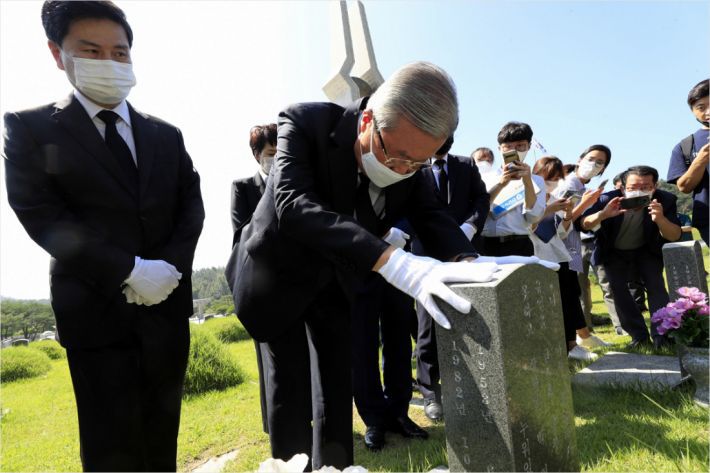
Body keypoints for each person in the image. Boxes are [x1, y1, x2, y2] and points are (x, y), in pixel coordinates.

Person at [225, 62, 501, 470]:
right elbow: (294, 206)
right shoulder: (305, 122)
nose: (404, 170)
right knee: (290, 388)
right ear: (368, 120)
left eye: (418, 163)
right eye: (398, 157)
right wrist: (394, 262)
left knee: (336, 386)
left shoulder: (409, 158)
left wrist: (471, 262)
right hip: (276, 274)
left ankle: (337, 468)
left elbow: (430, 215)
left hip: (336, 280)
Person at [3, 2, 205, 470]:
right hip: (95, 314)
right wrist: (129, 271)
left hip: (166, 312)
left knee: (162, 441)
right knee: (109, 449)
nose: (109, 62)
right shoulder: (30, 127)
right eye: (91, 51)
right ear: (58, 54)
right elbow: (40, 213)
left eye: (119, 52)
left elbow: (191, 206)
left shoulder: (166, 135)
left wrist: (167, 270)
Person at [413, 136, 490, 421]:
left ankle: (478, 385)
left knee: (470, 312)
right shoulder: (414, 163)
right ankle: (430, 392)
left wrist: (471, 225)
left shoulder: (465, 164)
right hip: (425, 251)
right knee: (427, 323)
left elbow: (481, 198)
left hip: (463, 248)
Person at [581, 166, 682, 349]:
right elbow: (584, 224)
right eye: (633, 187)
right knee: (618, 290)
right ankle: (639, 336)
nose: (639, 191)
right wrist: (603, 214)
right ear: (622, 187)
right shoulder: (607, 199)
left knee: (656, 287)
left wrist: (660, 219)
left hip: (647, 250)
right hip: (614, 251)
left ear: (655, 186)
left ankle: (662, 337)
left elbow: (674, 235)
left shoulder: (666, 199)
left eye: (646, 187)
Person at [230, 123, 279, 435]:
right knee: (267, 360)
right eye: (271, 153)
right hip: (261, 284)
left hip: (293, 282)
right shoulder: (243, 187)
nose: (276, 158)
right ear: (257, 155)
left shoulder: (293, 183)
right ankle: (272, 422)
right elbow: (241, 234)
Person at [529, 157, 600, 361]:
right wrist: (547, 210)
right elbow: (526, 226)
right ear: (536, 174)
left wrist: (568, 214)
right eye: (548, 177)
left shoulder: (554, 198)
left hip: (558, 254)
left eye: (556, 178)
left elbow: (561, 232)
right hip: (536, 254)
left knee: (569, 297)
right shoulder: (527, 197)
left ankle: (572, 344)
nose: (552, 182)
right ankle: (556, 345)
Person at [547, 146, 613, 352]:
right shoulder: (568, 184)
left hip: (570, 245)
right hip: (559, 247)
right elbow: (558, 220)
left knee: (573, 291)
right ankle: (575, 341)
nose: (594, 165)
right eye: (591, 159)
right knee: (568, 292)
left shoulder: (581, 186)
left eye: (600, 163)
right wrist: (585, 203)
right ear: (580, 159)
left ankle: (583, 335)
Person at [480, 122, 547, 256]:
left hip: (519, 245)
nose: (514, 151)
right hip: (485, 244)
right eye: (508, 147)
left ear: (528, 147)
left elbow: (533, 217)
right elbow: (478, 211)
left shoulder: (537, 181)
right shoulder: (484, 177)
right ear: (500, 149)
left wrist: (527, 182)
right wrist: (501, 184)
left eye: (520, 146)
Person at [667, 78, 709, 245]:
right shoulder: (685, 146)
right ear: (693, 111)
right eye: (701, 107)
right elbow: (684, 187)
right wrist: (701, 159)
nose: (708, 111)